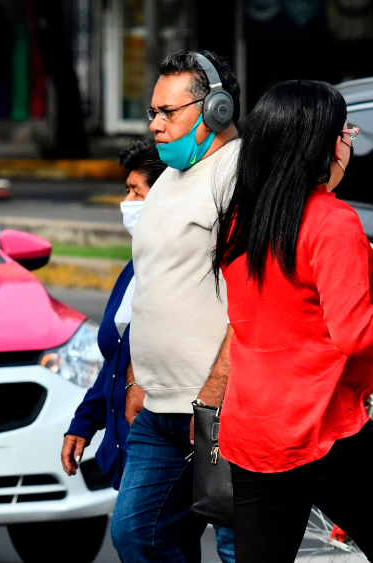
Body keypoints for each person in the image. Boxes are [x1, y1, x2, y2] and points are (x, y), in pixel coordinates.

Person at [214, 79, 373, 563]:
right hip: (321, 426)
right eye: (346, 132)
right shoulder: (331, 221)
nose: (349, 143)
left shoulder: (241, 218)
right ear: (320, 146)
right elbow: (355, 333)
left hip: (253, 429)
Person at [111, 50, 240, 563]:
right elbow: (152, 286)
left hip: (220, 411)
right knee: (138, 535)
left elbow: (253, 302)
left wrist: (214, 394)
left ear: (216, 111)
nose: (155, 125)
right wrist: (137, 377)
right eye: (153, 112)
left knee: (239, 548)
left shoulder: (238, 176)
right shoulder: (168, 176)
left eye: (168, 112)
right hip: (158, 409)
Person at [61, 138, 166, 488]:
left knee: (138, 524)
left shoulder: (178, 272)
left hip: (160, 451)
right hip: (123, 456)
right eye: (127, 190)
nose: (127, 203)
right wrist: (85, 422)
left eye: (137, 192)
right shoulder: (132, 269)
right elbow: (116, 361)